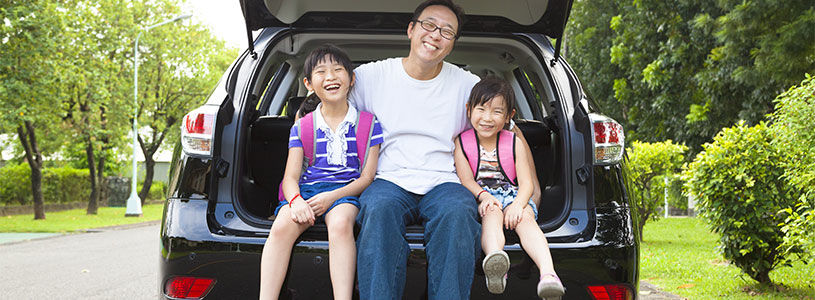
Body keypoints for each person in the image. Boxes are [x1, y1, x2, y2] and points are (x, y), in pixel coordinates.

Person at [259, 44, 383, 300]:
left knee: (339, 224)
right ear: (309, 83)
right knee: (282, 226)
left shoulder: (369, 124)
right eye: (321, 72)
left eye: (338, 70)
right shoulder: (302, 126)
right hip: (307, 192)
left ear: (351, 79)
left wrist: (332, 197)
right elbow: (291, 178)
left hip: (347, 192)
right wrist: (295, 202)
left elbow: (367, 177)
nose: (330, 77)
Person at [454, 78, 565, 299]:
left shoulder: (514, 142)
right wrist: (483, 196)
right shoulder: (462, 142)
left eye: (497, 112)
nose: (487, 118)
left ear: (509, 116)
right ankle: (496, 261)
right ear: (469, 110)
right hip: (486, 197)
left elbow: (527, 183)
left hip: (514, 196)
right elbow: (466, 179)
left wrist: (518, 204)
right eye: (481, 109)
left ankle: (548, 275)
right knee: (491, 215)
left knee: (526, 220)